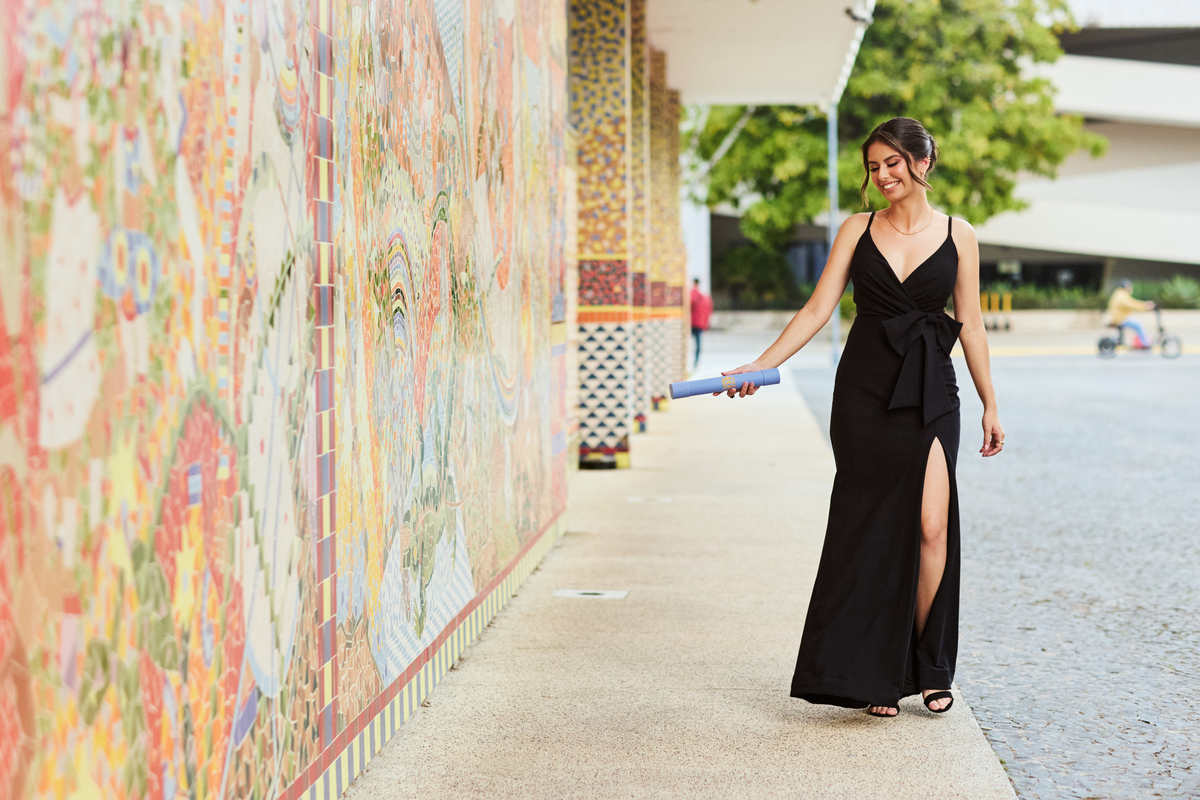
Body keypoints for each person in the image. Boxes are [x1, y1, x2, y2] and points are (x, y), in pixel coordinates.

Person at [719, 117, 1004, 717]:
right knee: (869, 527)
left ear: (923, 162)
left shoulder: (961, 234)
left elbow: (972, 323)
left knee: (932, 527)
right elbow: (816, 309)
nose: (883, 176)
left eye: (892, 163)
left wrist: (990, 404)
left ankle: (930, 667)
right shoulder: (857, 228)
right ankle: (877, 676)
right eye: (874, 167)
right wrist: (758, 366)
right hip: (865, 393)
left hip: (931, 391)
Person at [1107, 280, 1155, 349]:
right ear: (1126, 287)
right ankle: (1146, 343)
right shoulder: (1122, 295)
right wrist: (1145, 305)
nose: (1131, 289)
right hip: (1121, 318)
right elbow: (1132, 304)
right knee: (1138, 324)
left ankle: (1143, 342)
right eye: (1130, 287)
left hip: (1119, 317)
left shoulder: (1118, 294)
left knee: (1136, 323)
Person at [689, 278, 712, 369]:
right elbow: (708, 311)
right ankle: (696, 360)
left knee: (691, 342)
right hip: (700, 323)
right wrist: (706, 324)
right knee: (698, 343)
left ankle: (693, 361)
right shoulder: (706, 297)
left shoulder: (693, 294)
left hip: (693, 322)